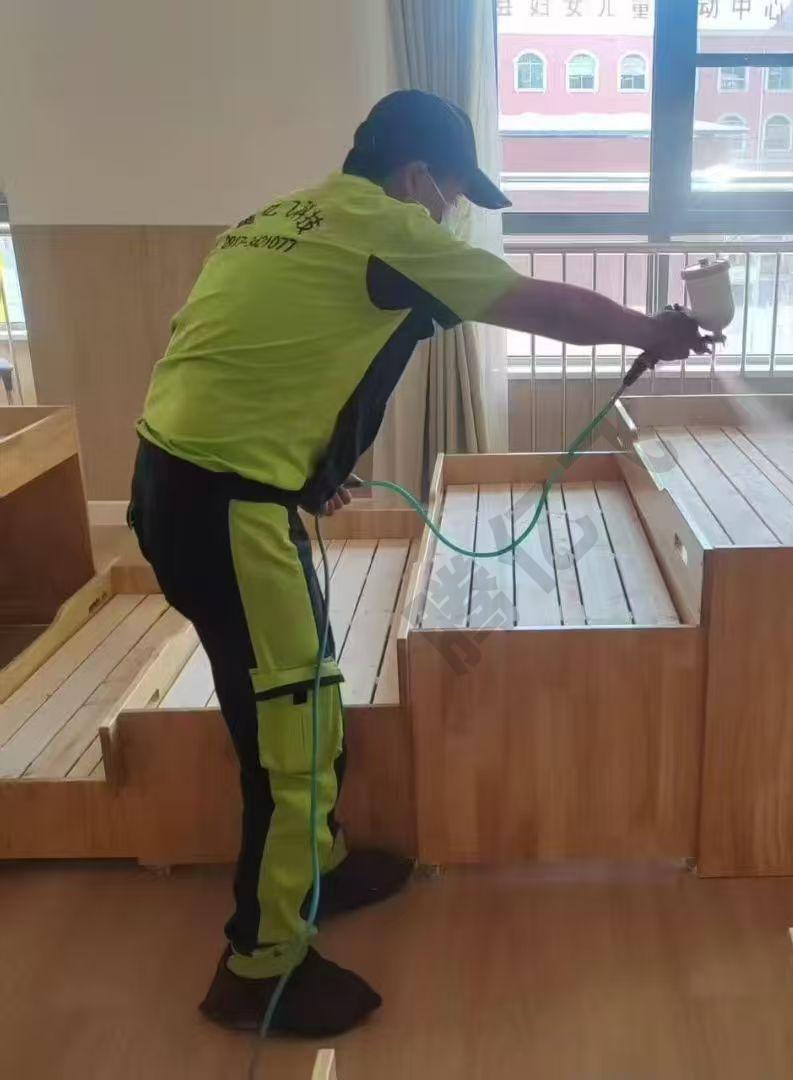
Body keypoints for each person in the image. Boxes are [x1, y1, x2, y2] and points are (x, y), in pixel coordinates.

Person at [129, 89, 709, 1037]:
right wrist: (652, 330)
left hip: (183, 483)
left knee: (303, 696)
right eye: (451, 194)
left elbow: (257, 355)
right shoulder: (388, 227)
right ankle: (261, 964)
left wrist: (306, 470)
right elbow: (538, 303)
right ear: (414, 177)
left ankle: (314, 869)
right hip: (227, 508)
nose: (450, 214)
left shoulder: (283, 217)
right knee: (291, 736)